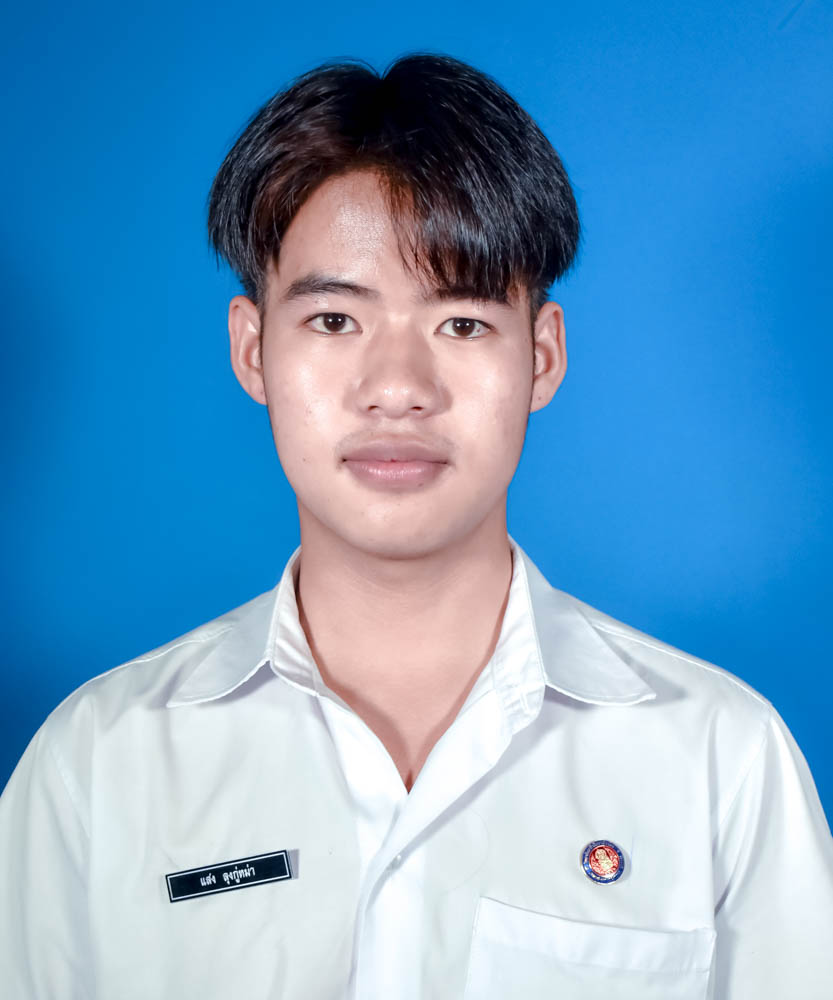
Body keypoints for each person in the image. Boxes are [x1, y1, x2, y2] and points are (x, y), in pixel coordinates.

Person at [0, 52, 831, 1000]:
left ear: (542, 357)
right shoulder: (98, 764)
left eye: (461, 324)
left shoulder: (721, 758)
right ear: (252, 349)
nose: (397, 389)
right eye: (333, 321)